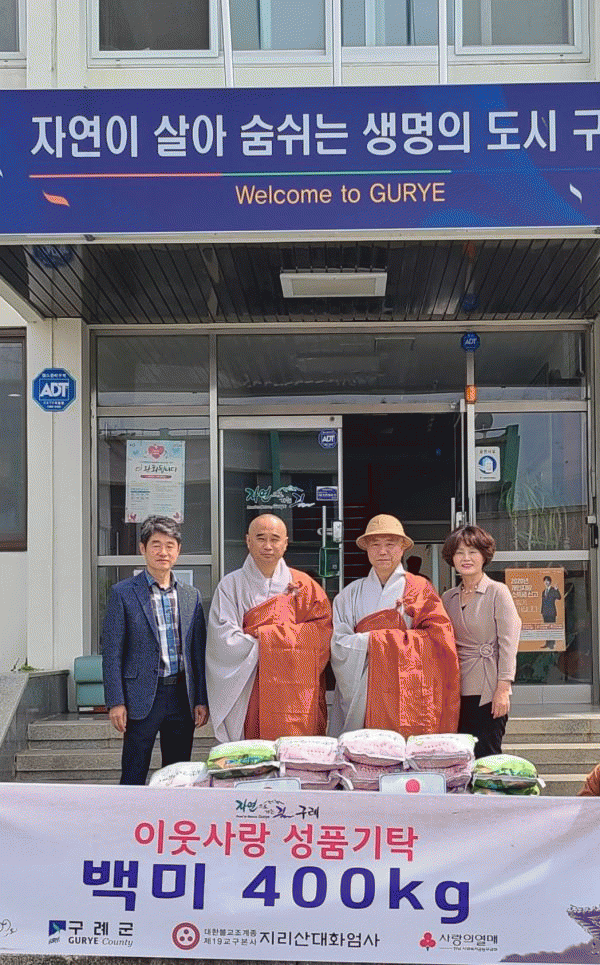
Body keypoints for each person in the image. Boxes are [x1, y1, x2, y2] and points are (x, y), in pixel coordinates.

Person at [330, 514, 460, 737]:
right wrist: (374, 642)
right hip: (364, 688)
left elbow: (439, 639)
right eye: (375, 544)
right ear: (367, 549)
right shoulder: (349, 594)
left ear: (402, 548)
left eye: (390, 544)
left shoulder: (419, 588)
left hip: (406, 687)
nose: (382, 551)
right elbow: (339, 644)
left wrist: (377, 641)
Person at [206, 513, 332, 742]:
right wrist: (273, 644)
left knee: (294, 750)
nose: (268, 546)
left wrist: (263, 637)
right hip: (250, 681)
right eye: (260, 538)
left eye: (274, 539)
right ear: (248, 541)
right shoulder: (231, 585)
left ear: (285, 543)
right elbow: (223, 638)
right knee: (254, 747)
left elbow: (322, 634)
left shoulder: (305, 586)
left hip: (294, 685)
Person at [102, 515, 208, 785]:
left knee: (177, 775)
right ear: (143, 548)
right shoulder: (123, 593)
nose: (163, 552)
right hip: (141, 695)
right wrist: (116, 701)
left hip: (181, 695)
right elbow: (112, 652)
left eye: (170, 545)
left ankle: (172, 813)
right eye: (156, 545)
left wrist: (201, 699)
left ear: (178, 550)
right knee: (134, 771)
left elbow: (198, 653)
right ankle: (129, 812)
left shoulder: (191, 595)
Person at [441, 525, 521, 759]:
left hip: (488, 688)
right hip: (455, 689)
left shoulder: (498, 591)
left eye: (472, 552)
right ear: (451, 558)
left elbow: (509, 644)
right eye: (459, 552)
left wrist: (503, 689)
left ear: (484, 556)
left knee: (487, 757)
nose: (466, 558)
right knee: (459, 759)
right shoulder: (448, 598)